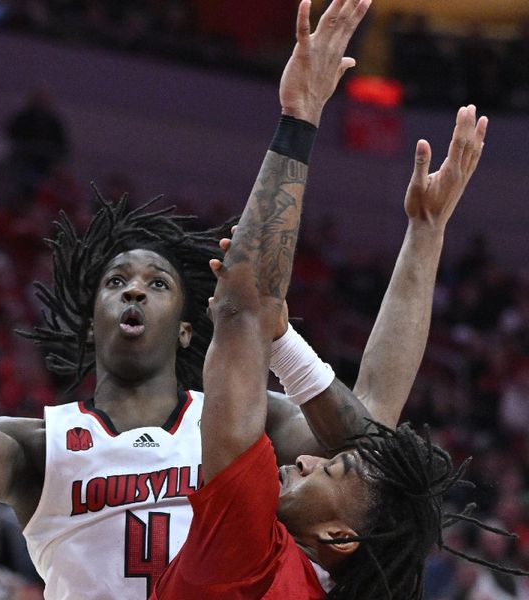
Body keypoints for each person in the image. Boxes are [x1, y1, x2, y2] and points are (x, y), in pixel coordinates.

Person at [0, 5, 462, 597]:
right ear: (91, 325)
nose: (135, 288)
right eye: (116, 282)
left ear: (186, 331)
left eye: (159, 282)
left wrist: (417, 239)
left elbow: (375, 438)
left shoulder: (252, 432)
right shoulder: (41, 445)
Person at [152, 1, 528, 597]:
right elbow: (371, 417)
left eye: (327, 467)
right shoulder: (318, 579)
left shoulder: (245, 556)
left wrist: (300, 113)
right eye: (327, 460)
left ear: (338, 536)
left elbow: (239, 308)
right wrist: (426, 233)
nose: (308, 456)